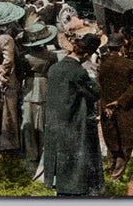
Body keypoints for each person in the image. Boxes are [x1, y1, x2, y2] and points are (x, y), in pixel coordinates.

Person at [43, 33, 104, 196]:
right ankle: (73, 189)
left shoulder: (54, 69)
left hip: (55, 120)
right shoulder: (78, 72)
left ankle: (58, 186)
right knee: (75, 157)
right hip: (73, 120)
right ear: (85, 54)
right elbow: (95, 94)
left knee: (60, 154)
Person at [98, 33, 133, 180]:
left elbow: (99, 87)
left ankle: (112, 171)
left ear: (108, 47)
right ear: (122, 47)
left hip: (106, 108)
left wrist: (107, 104)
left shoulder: (101, 64)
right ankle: (117, 173)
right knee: (127, 142)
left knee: (112, 140)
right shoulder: (131, 65)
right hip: (125, 108)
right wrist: (120, 101)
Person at [0, 1, 25, 154]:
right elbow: (8, 60)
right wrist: (5, 75)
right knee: (9, 111)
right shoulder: (6, 39)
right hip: (5, 76)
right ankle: (9, 144)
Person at [19, 21, 58, 164]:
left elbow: (20, 74)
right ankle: (45, 151)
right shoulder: (51, 55)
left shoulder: (25, 57)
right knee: (44, 121)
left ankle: (31, 154)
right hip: (45, 86)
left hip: (29, 88)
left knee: (28, 121)